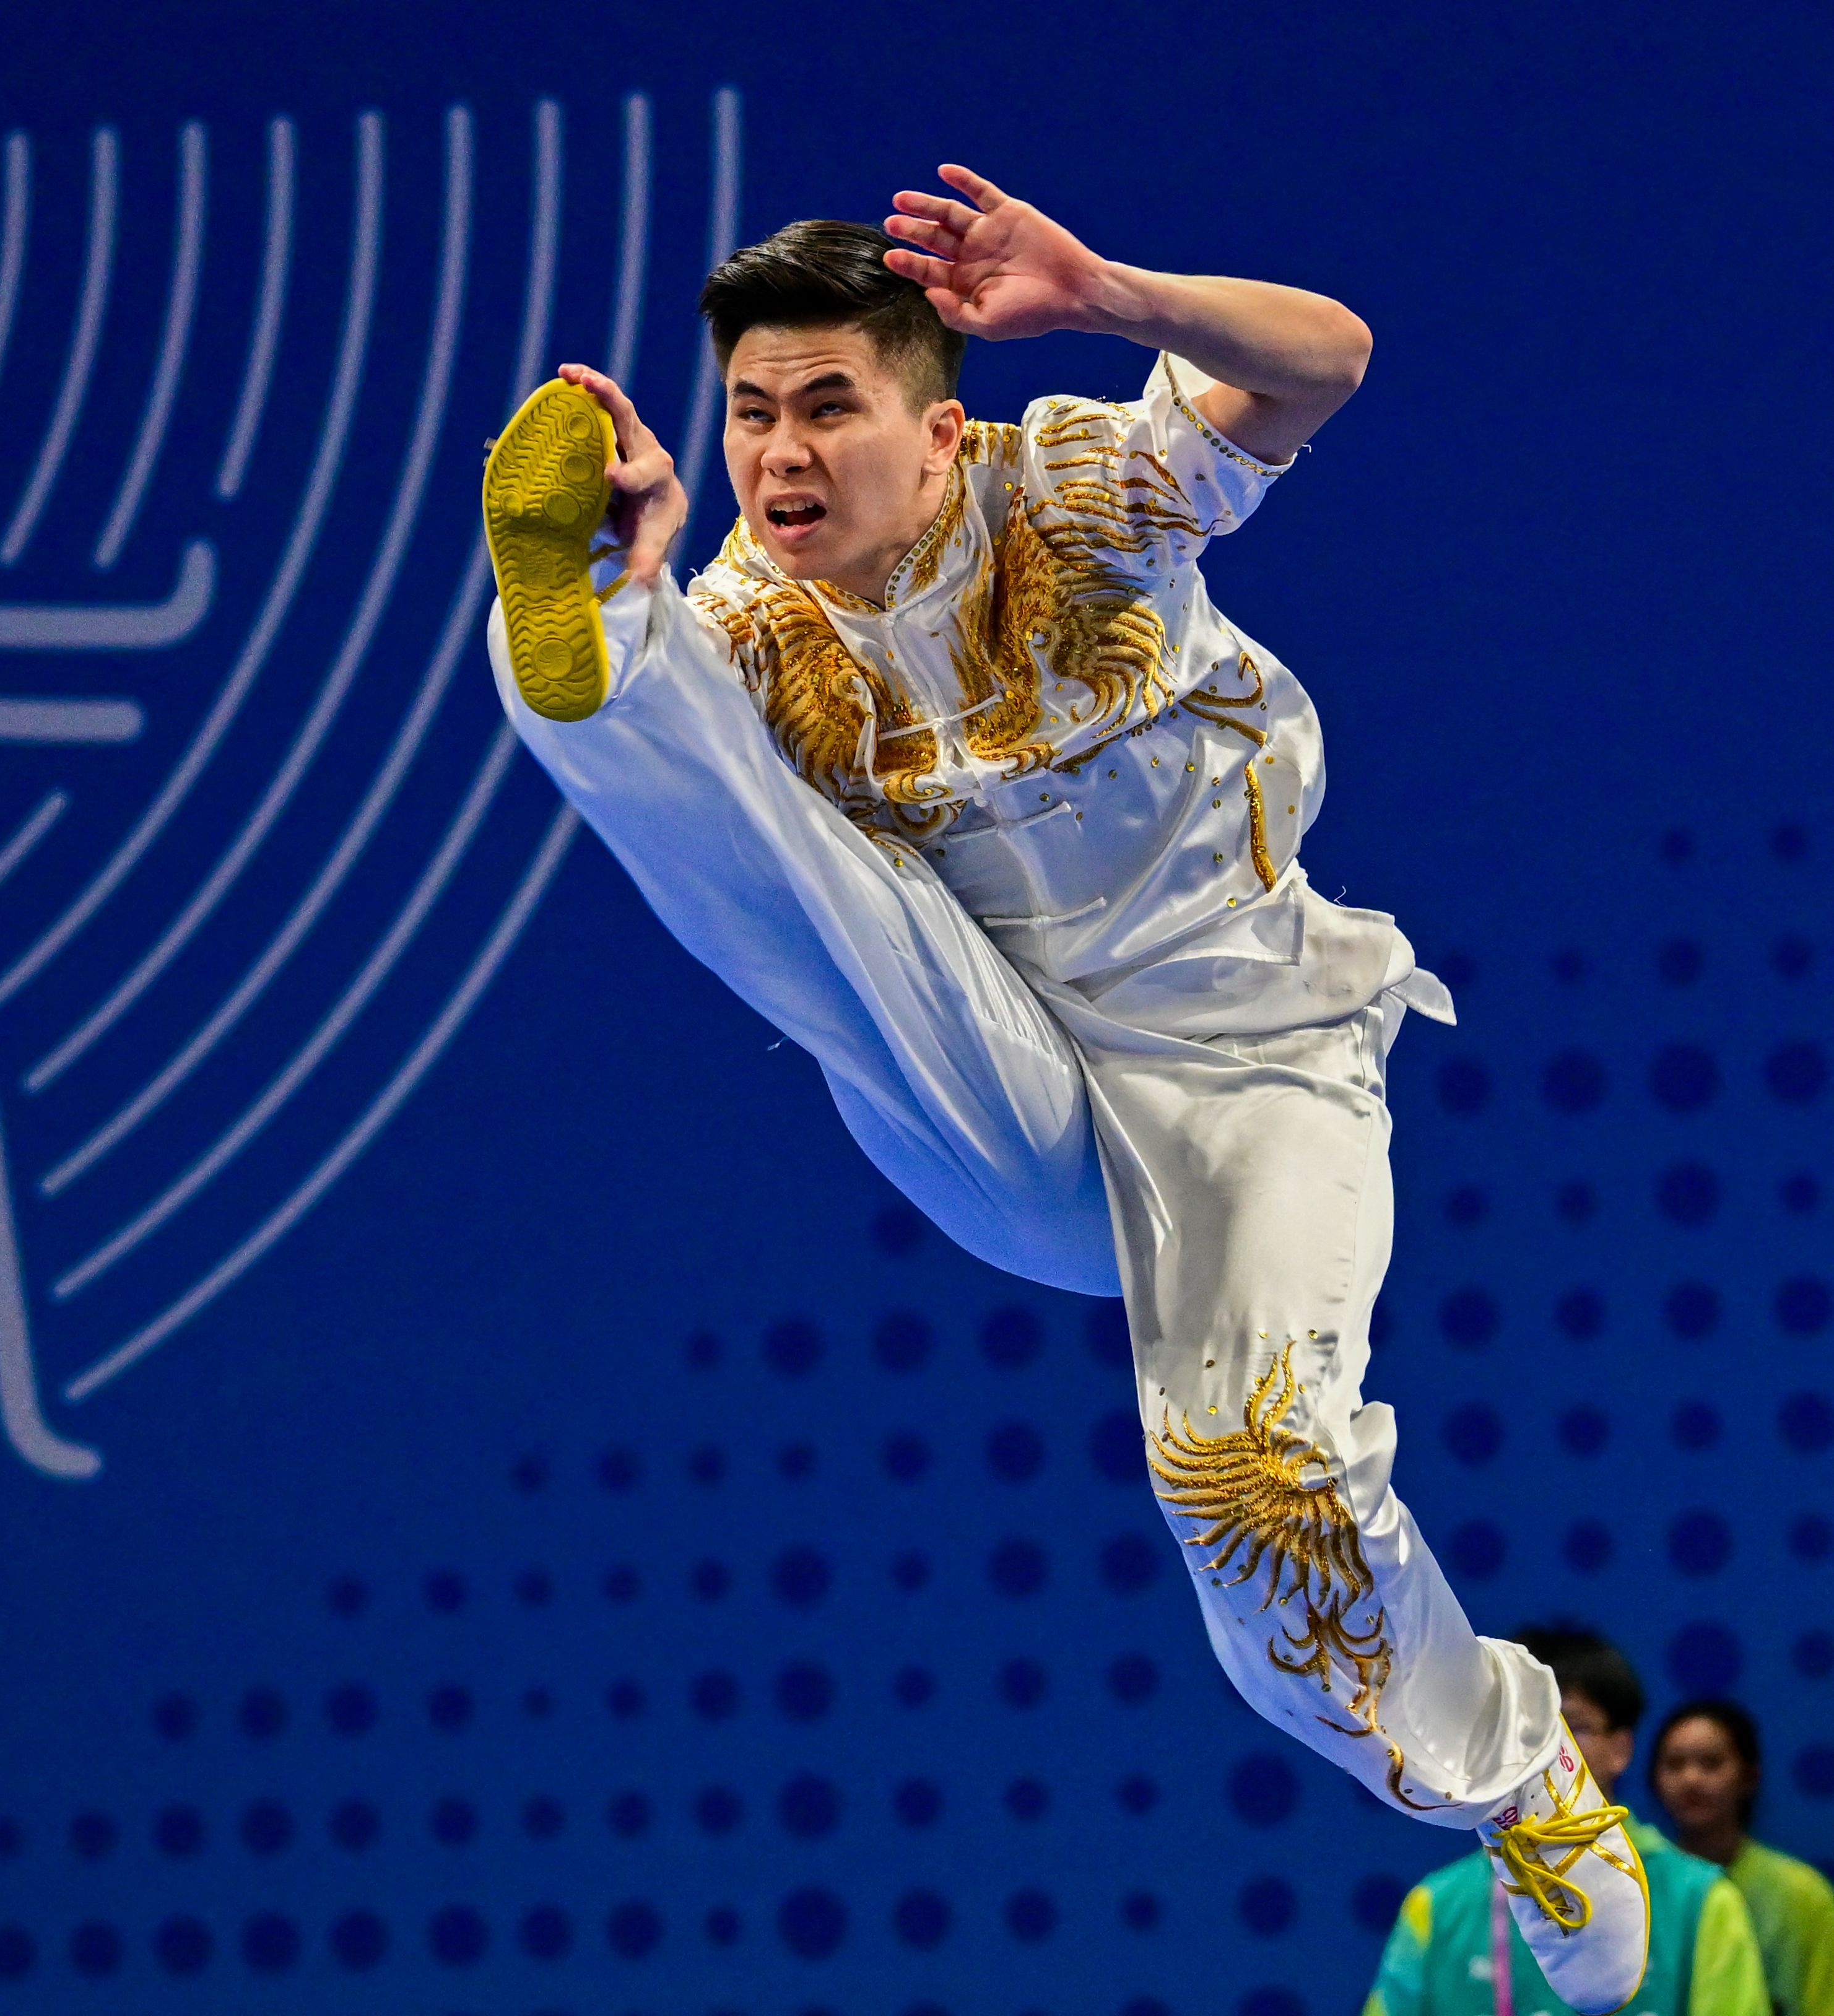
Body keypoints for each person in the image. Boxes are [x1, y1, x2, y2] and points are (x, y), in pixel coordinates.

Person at [478, 168, 1649, 2009]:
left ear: (934, 429)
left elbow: (1323, 361)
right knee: (744, 808)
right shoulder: (748, 616)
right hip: (1001, 1083)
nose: (778, 455)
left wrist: (1107, 289)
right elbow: (732, 814)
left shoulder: (1072, 489)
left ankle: (1512, 1774)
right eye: (746, 413)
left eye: (824, 406)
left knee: (1245, 1474)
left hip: (1254, 1066)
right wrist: (628, 574)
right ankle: (581, 648)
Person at [1367, 1628, 1764, 2015]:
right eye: (1525, 1727)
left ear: (1621, 1749)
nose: (1546, 1750)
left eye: (1573, 1727)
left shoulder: (1702, 1900)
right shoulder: (1436, 1906)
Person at [1653, 1699, 1834, 2014]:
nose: (1691, 1779)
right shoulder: (1638, 1888)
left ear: (1749, 1777)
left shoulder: (1804, 1895)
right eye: (1675, 1764)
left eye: (1711, 1763)